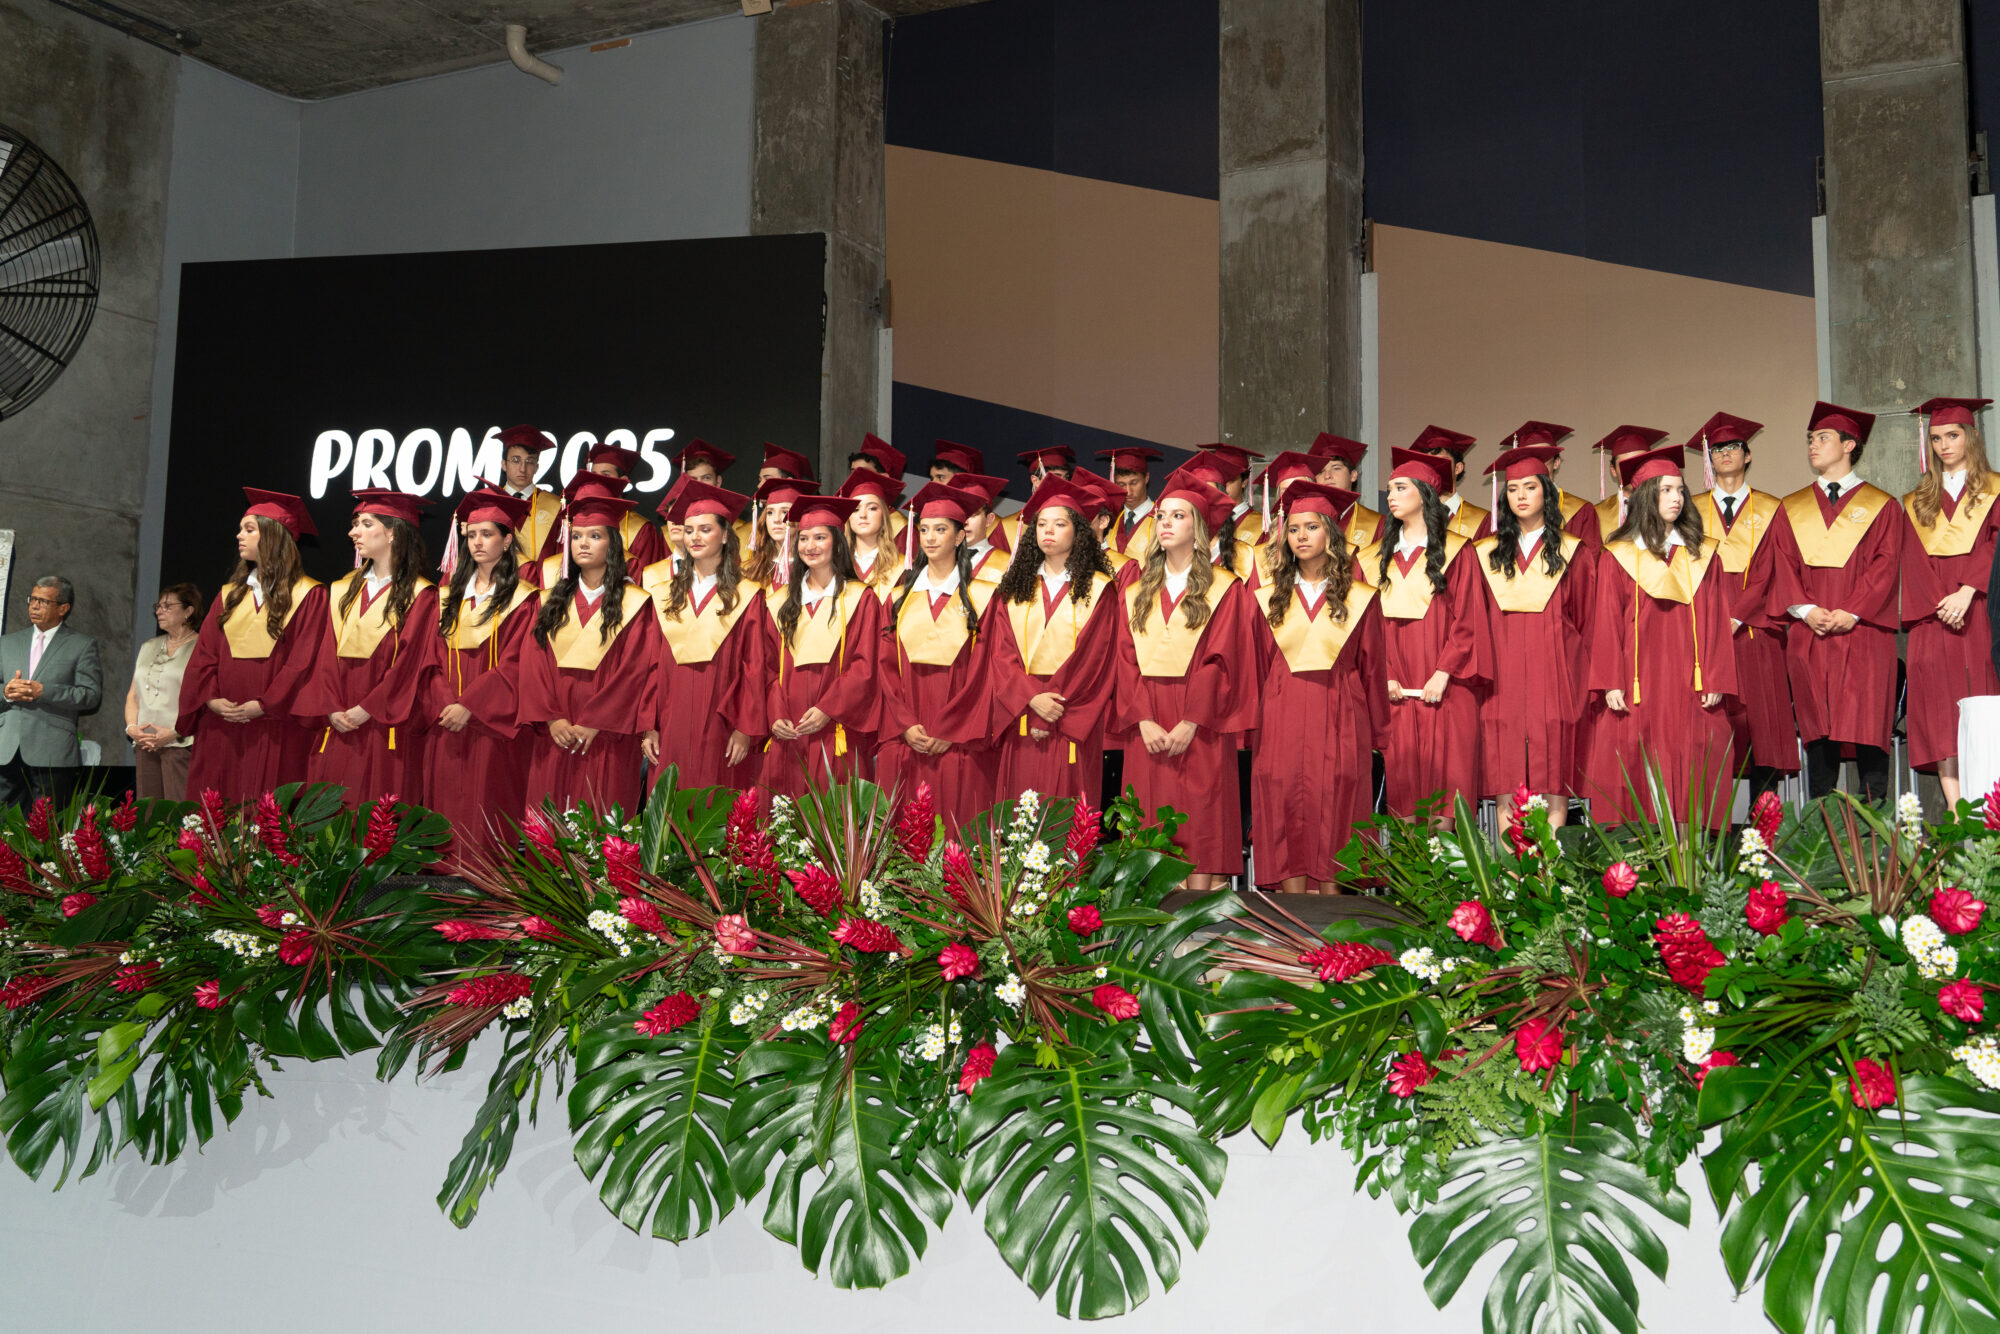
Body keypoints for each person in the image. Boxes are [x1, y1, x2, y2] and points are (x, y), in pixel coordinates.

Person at [1113, 469, 1259, 889]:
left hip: (1200, 726)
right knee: (1148, 820)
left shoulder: (1225, 588)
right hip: (1147, 724)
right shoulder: (1136, 591)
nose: (1165, 523)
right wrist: (1142, 719)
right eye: (1161, 516)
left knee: (1201, 821)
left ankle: (1201, 915)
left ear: (1198, 531)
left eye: (1178, 516)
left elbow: (1223, 660)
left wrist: (1192, 720)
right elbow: (1125, 659)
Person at [1585, 443, 1737, 827]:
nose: (1676, 498)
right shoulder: (1618, 555)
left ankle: (1690, 859)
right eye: (1666, 490)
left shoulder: (1702, 554)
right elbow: (1606, 622)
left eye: (1680, 490)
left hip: (1690, 679)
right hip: (1639, 681)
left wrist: (1716, 676)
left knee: (1694, 762)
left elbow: (1717, 620)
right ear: (1645, 497)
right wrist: (1610, 680)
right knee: (1637, 761)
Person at [1768, 402, 1911, 802]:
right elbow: (1782, 564)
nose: (1813, 445)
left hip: (1863, 633)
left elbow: (1886, 566)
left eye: (1823, 438)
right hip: (1810, 633)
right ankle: (1821, 825)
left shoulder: (1883, 506)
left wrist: (1852, 610)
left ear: (1850, 445)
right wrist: (1806, 610)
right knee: (1818, 732)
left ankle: (1872, 825)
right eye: (1811, 439)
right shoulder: (1791, 507)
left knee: (1868, 727)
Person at [1249, 481, 1387, 893]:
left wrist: (1380, 733)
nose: (1301, 537)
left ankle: (1333, 913)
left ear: (1331, 532)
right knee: (1284, 803)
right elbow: (1257, 665)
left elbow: (1372, 666)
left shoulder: (1360, 596)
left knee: (1337, 806)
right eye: (1293, 529)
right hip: (1282, 714)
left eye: (1311, 527)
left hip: (1340, 712)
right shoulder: (1267, 597)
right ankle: (1293, 913)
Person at [964, 476, 1121, 804]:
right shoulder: (1014, 588)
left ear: (1078, 532)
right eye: (1041, 524)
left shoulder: (1099, 589)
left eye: (1060, 524)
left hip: (1069, 722)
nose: (1048, 530)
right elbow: (1000, 654)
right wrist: (1030, 700)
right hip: (1020, 720)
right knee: (1018, 815)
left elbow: (1094, 662)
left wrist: (1049, 710)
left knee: (1065, 816)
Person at [1358, 448, 1492, 821]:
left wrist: (1443, 672)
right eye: (1390, 489)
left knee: (1446, 791)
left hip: (1447, 688)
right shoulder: (1371, 558)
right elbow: (1367, 629)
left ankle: (1444, 861)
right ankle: (1409, 862)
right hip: (1395, 690)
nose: (1391, 496)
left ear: (1425, 494)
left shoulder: (1457, 551)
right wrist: (1384, 675)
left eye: (1401, 487)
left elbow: (1468, 620)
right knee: (1403, 791)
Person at [517, 474, 663, 816]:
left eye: (595, 536)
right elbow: (533, 663)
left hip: (607, 737)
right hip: (555, 734)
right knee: (548, 822)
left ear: (612, 544)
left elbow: (635, 671)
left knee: (600, 818)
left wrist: (595, 721)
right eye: (577, 536)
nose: (583, 544)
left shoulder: (636, 603)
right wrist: (552, 719)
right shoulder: (547, 602)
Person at [178, 490, 330, 803]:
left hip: (276, 725)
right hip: (222, 723)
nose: (239, 536)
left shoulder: (309, 595)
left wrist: (265, 704)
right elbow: (204, 655)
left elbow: (303, 662)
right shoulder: (230, 595)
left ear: (274, 537)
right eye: (241, 529)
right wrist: (211, 699)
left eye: (249, 529)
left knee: (267, 807)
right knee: (217, 807)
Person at [1472, 446, 1593, 828]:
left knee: (1553, 771)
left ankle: (1549, 864)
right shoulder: (1486, 554)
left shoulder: (1573, 552)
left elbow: (1587, 621)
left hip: (1555, 677)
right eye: (1512, 489)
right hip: (1502, 678)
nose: (1520, 496)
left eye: (1530, 487)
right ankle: (1511, 865)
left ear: (1547, 492)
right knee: (1505, 771)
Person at [296, 490, 440, 810]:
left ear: (392, 532)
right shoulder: (342, 590)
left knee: (377, 817)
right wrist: (331, 707)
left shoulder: (421, 595)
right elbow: (323, 654)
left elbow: (410, 665)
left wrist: (367, 708)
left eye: (365, 524)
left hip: (385, 726)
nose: (353, 532)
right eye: (354, 524)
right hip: (337, 720)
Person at [1687, 411, 1801, 797]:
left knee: (1762, 725)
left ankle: (1761, 820)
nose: (1725, 453)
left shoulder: (1771, 507)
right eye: (1717, 448)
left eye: (1733, 447)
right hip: (1703, 633)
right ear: (1709, 459)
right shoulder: (1690, 509)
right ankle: (1713, 825)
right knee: (1712, 727)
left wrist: (1735, 616)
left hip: (1756, 631)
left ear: (1747, 455)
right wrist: (1713, 619)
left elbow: (1773, 571)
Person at [426, 489, 541, 864]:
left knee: (487, 807)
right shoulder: (448, 595)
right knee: (445, 810)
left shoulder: (524, 599)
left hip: (493, 727)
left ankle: (489, 891)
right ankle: (443, 889)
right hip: (447, 721)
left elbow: (516, 663)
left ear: (507, 541)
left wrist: (470, 706)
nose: (477, 542)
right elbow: (431, 658)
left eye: (487, 534)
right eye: (472, 534)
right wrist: (446, 703)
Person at [875, 481, 999, 827]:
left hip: (959, 741)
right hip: (907, 735)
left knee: (956, 829)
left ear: (960, 537)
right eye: (924, 529)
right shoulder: (899, 598)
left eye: (941, 530)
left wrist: (951, 728)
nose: (930, 538)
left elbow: (986, 672)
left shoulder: (985, 597)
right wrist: (905, 724)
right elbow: (886, 667)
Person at [1901, 396, 2000, 804]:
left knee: (1983, 707)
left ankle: (1989, 811)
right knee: (1940, 715)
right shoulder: (1916, 500)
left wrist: (1966, 591)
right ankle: (1958, 814)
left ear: (1971, 438)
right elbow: (1911, 560)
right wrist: (1943, 604)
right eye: (1937, 438)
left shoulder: (1995, 491)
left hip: (1980, 614)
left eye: (1953, 436)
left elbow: (1995, 544)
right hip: (1934, 619)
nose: (1944, 445)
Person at [640, 479, 767, 792]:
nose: (695, 537)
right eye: (689, 530)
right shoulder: (663, 594)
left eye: (705, 529)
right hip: (671, 719)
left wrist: (744, 728)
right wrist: (649, 725)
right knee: (671, 798)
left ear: (724, 535)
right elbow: (651, 664)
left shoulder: (747, 595)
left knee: (717, 799)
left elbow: (754, 666)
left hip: (722, 722)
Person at [758, 493, 883, 795]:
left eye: (819, 537)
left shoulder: (860, 599)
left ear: (837, 543)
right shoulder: (778, 602)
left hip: (837, 730)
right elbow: (767, 667)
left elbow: (865, 665)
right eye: (803, 539)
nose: (809, 546)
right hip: (789, 729)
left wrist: (828, 708)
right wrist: (776, 714)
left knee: (834, 810)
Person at [0, 576, 103, 810]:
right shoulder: (7, 643)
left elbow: (90, 695)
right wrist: (6, 692)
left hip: (52, 751)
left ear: (63, 608)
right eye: (32, 599)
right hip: (7, 750)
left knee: (47, 824)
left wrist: (43, 691)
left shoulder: (82, 645)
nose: (34, 606)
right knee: (5, 824)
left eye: (43, 601)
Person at [124, 582, 202, 800]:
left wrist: (176, 732)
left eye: (167, 606)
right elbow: (133, 695)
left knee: (178, 810)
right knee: (148, 811)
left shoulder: (202, 648)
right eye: (157, 606)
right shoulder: (148, 646)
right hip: (145, 743)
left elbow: (203, 700)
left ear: (188, 611)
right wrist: (132, 728)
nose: (159, 611)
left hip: (180, 743)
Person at [1498, 422, 1599, 550]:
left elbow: (1589, 557)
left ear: (1556, 463)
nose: (1534, 463)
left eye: (1542, 457)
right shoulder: (1510, 510)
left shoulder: (1580, 511)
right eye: (1527, 458)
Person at [495, 424, 564, 582]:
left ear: (537, 467)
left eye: (530, 462)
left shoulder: (556, 506)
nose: (522, 468)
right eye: (516, 460)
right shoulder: (490, 503)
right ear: (504, 464)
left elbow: (561, 557)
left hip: (542, 590)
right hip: (495, 588)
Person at [1590, 425, 1669, 543]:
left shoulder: (1670, 507)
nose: (1635, 471)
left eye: (1641, 463)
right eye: (1626, 465)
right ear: (1613, 470)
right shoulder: (1597, 515)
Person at [1410, 426, 1489, 539]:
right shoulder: (1411, 516)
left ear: (1458, 468)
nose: (1433, 469)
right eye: (1428, 464)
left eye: (1441, 462)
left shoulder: (1482, 521)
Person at [1308, 433, 1385, 548]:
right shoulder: (1307, 521)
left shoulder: (1378, 524)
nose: (1327, 476)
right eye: (1320, 472)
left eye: (1336, 468)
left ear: (1353, 475)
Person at [840, 467, 907, 596]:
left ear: (884, 515)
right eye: (855, 509)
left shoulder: (901, 567)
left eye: (872, 508)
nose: (862, 515)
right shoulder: (836, 564)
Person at [737, 442, 816, 547]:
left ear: (788, 481)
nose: (759, 485)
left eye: (767, 479)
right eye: (770, 512)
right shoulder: (749, 533)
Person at [1097, 445, 1165, 559]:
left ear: (1146, 478)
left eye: (1134, 483)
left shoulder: (1162, 519)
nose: (1128, 491)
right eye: (1121, 484)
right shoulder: (1109, 520)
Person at [741, 476, 806, 590]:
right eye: (770, 512)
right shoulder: (751, 569)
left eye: (785, 512)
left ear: (800, 517)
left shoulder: (812, 572)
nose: (776, 519)